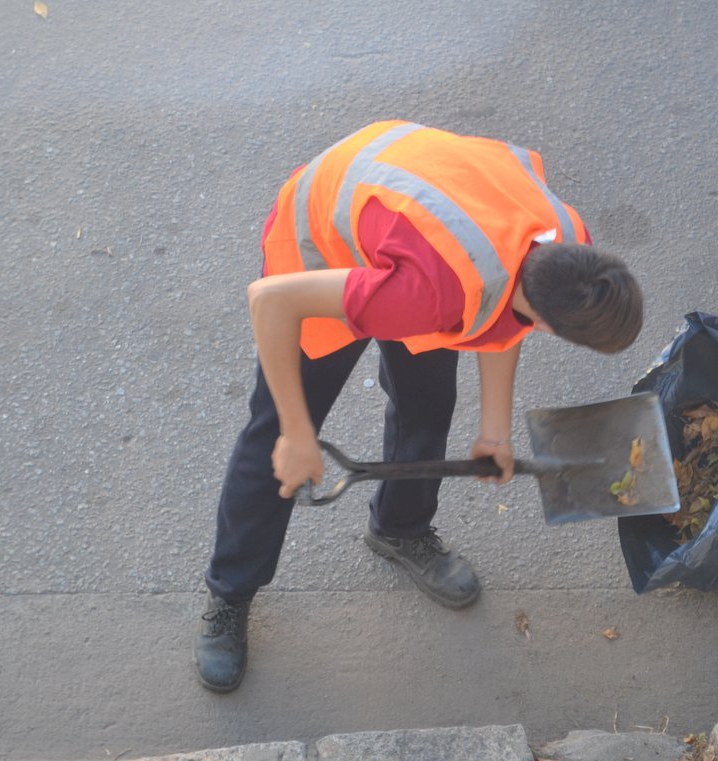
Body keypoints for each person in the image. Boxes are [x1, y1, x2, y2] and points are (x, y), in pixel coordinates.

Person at [194, 120, 643, 693]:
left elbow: (506, 321)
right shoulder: (434, 294)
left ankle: (400, 528)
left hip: (410, 234)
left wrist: (496, 431)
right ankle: (229, 595)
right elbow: (270, 303)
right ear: (552, 324)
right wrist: (298, 434)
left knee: (428, 406)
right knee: (275, 439)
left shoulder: (566, 246)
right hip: (319, 251)